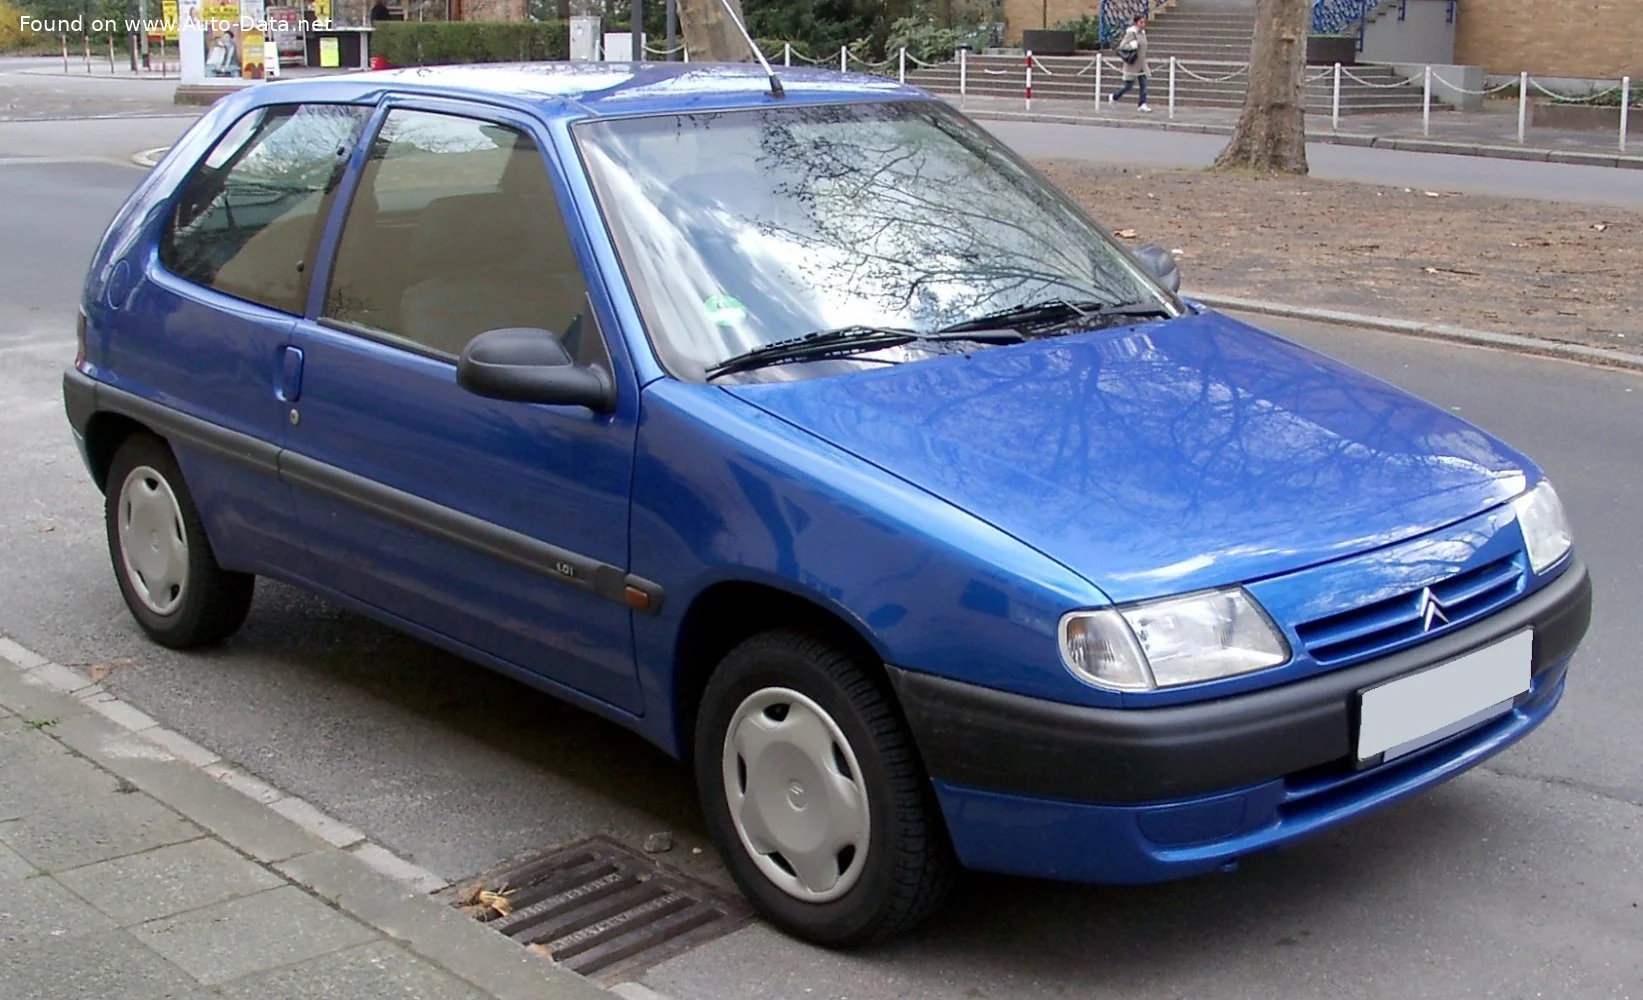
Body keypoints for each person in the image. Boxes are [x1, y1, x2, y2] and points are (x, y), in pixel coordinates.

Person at [1108, 15, 1151, 112]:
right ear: (1136, 23)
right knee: (1128, 86)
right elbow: (1122, 46)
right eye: (1141, 22)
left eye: (1144, 22)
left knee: (1144, 85)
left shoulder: (1142, 33)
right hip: (1132, 64)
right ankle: (1114, 97)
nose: (1143, 24)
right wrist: (1131, 46)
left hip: (1142, 64)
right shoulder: (1131, 33)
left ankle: (1142, 104)